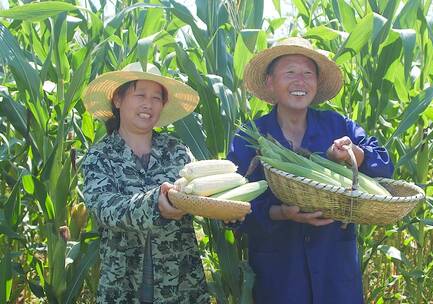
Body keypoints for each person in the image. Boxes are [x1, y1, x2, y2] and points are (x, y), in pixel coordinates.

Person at [227, 37, 394, 304]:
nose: (300, 81)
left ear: (316, 83)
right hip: (280, 279)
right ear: (270, 81)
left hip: (335, 274)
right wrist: (279, 213)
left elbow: (385, 165)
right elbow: (234, 210)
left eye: (308, 73)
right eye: (290, 72)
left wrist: (356, 155)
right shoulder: (250, 136)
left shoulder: (338, 126)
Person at [82, 62, 210, 303]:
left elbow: (202, 197)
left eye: (156, 98)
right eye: (140, 94)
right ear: (118, 100)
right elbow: (104, 209)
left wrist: (230, 212)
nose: (148, 104)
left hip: (181, 282)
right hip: (123, 283)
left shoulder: (177, 151)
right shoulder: (100, 156)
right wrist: (156, 204)